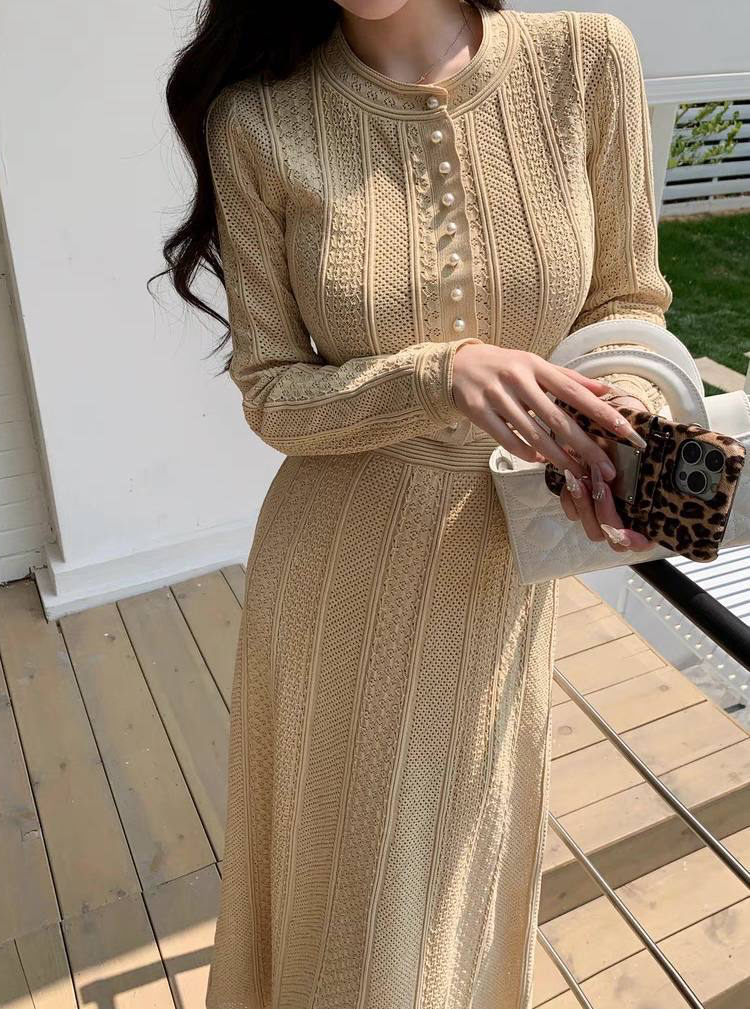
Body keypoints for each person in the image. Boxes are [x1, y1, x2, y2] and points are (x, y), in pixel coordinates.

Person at [159, 2, 673, 1006]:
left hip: (500, 568)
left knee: (456, 890)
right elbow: (271, 393)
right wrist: (439, 374)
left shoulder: (584, 60)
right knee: (351, 915)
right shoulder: (259, 121)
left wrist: (617, 419)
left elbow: (628, 299)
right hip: (336, 577)